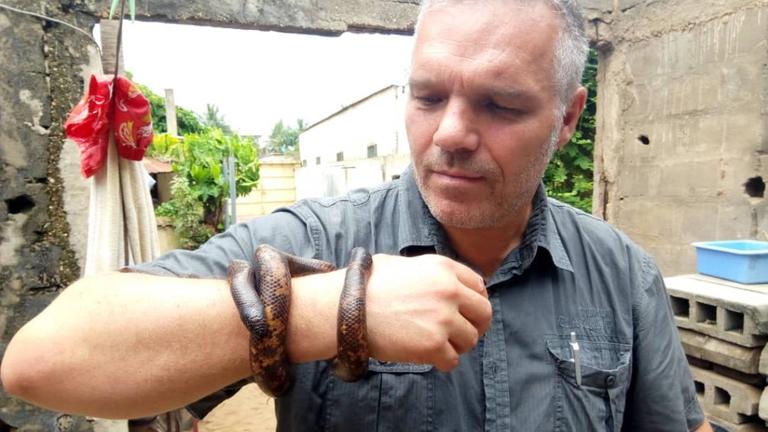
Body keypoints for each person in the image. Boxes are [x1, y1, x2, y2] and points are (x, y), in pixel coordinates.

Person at [2, 0, 712, 430]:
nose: (453, 133)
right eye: (429, 96)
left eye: (500, 105)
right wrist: (335, 311)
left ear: (566, 119)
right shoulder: (315, 241)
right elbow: (43, 360)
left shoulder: (622, 273)